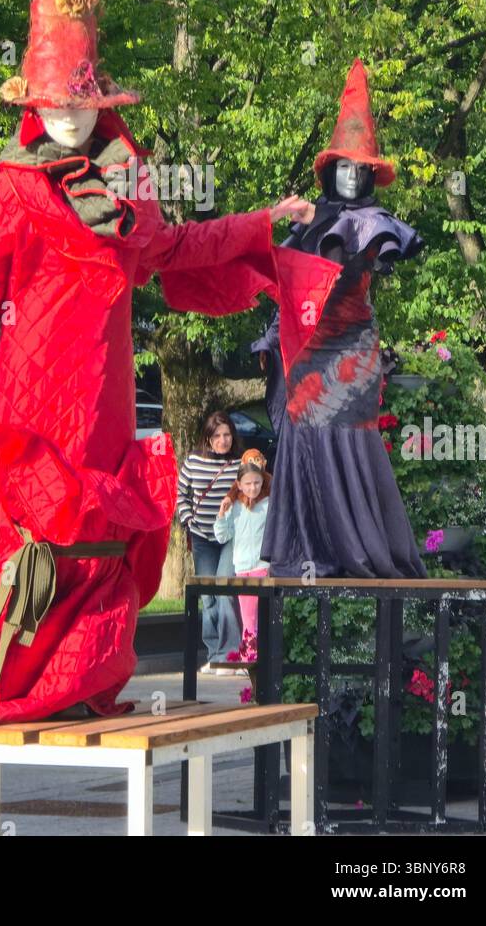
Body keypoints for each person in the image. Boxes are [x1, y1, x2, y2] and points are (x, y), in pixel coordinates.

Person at [0, 0, 324, 726]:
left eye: (79, 105)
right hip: (31, 391)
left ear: (102, 106)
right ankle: (8, 673)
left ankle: (78, 673)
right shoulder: (11, 193)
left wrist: (260, 223)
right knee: (34, 518)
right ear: (31, 106)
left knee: (97, 528)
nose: (67, 117)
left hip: (106, 393)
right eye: (53, 105)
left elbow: (179, 249)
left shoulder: (128, 187)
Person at [253, 59, 428, 580]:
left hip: (349, 351)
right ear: (330, 171)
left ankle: (360, 551)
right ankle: (311, 552)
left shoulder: (372, 223)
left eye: (360, 168)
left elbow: (350, 262)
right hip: (308, 353)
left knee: (346, 439)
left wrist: (318, 218)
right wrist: (269, 340)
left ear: (371, 175)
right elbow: (288, 293)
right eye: (343, 167)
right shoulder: (308, 222)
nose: (352, 175)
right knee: (304, 439)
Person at [177, 411, 244, 670]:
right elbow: (181, 493)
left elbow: (253, 492)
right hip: (202, 537)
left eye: (227, 435)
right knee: (208, 596)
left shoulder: (239, 463)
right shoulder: (194, 461)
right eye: (217, 435)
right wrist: (188, 520)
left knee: (225, 588)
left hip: (229, 537)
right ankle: (214, 653)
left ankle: (231, 653)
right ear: (207, 438)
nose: (223, 440)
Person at [214, 449, 271, 654]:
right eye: (247, 484)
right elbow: (223, 536)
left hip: (262, 567)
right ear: (239, 485)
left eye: (256, 483)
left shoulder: (268, 504)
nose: (252, 488)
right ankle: (252, 655)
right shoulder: (235, 506)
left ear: (263, 481)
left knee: (257, 615)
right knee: (248, 616)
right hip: (242, 568)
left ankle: (254, 655)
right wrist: (222, 515)